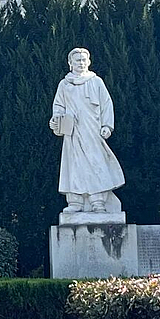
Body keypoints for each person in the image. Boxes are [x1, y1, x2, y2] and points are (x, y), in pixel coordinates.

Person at [49, 47, 125, 213]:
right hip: (73, 133)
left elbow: (106, 104)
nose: (81, 63)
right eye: (77, 60)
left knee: (96, 163)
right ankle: (75, 202)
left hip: (92, 130)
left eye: (84, 60)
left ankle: (98, 202)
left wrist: (107, 126)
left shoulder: (96, 82)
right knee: (74, 166)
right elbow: (58, 106)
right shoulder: (64, 84)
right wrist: (56, 121)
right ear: (70, 63)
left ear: (89, 62)